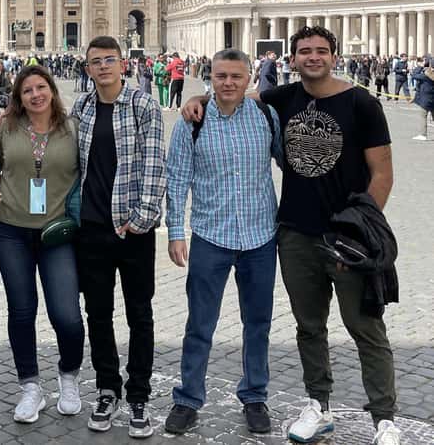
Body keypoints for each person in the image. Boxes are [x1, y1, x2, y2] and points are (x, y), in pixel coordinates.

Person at [182, 26, 400, 445]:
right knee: (308, 326)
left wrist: (360, 232)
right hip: (296, 234)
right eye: (304, 52)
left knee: (366, 327)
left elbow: (383, 174)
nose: (312, 57)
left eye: (320, 51)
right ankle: (319, 406)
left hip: (348, 237)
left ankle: (384, 418)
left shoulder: (362, 103)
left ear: (334, 56)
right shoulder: (283, 98)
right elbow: (235, 94)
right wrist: (200, 99)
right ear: (292, 59)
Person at [164, 49, 282, 436]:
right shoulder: (191, 123)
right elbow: (178, 178)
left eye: (235, 76)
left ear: (249, 79)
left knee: (258, 323)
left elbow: (289, 165)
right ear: (208, 78)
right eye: (220, 76)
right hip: (210, 236)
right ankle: (188, 398)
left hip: (260, 236)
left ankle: (254, 395)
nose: (227, 83)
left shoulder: (267, 117)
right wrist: (176, 232)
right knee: (200, 323)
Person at [0, 65, 85, 423]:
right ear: (18, 98)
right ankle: (30, 386)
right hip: (10, 228)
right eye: (27, 91)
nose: (35, 95)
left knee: (66, 315)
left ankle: (68, 376)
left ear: (52, 90)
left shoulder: (74, 129)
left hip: (57, 231)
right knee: (21, 311)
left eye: (41, 87)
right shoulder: (5, 127)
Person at [70, 36, 166, 439]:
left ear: (123, 64)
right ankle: (108, 388)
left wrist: (142, 219)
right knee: (98, 314)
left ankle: (139, 394)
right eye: (96, 61)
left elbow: (155, 163)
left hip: (132, 230)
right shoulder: (82, 107)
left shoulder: (144, 105)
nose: (104, 67)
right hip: (91, 229)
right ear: (88, 68)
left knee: (139, 315)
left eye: (110, 60)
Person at [410, 59, 434, 141]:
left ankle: (423, 134)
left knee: (423, 116)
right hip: (433, 99)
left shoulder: (426, 75)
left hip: (426, 99)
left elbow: (414, 75)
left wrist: (420, 67)